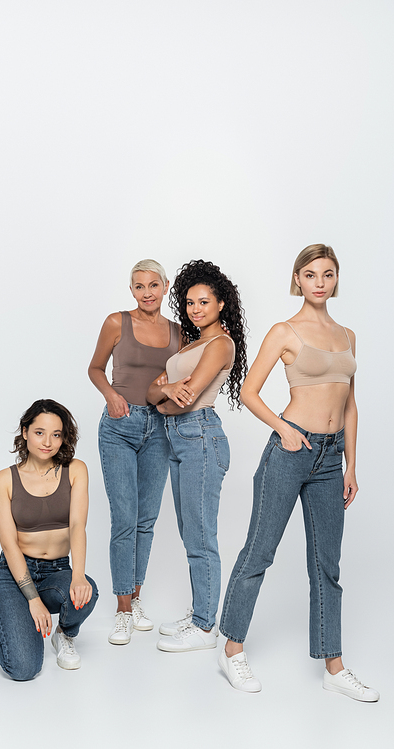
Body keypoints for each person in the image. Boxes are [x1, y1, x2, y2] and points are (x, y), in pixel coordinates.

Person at [218, 244, 379, 701]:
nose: (320, 282)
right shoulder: (285, 331)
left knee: (327, 564)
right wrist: (282, 429)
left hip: (331, 460)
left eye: (328, 274)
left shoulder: (348, 335)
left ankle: (334, 665)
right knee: (260, 551)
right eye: (311, 274)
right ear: (298, 280)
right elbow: (249, 392)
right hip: (289, 453)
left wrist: (351, 464)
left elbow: (349, 404)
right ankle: (232, 649)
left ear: (335, 280)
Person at [147, 259, 247, 652]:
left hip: (200, 437)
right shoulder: (190, 344)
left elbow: (181, 401)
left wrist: (166, 392)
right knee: (191, 531)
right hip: (179, 441)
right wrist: (166, 392)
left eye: (204, 302)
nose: (195, 309)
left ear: (221, 304)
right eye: (189, 302)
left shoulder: (220, 344)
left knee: (202, 534)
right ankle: (200, 609)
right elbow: (153, 395)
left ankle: (206, 628)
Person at [88, 259, 180, 645]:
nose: (146, 293)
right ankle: (123, 609)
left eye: (153, 285)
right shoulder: (116, 323)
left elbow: (184, 377)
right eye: (139, 286)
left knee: (146, 519)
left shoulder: (178, 332)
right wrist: (111, 395)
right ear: (132, 290)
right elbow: (95, 368)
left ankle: (135, 596)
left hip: (159, 428)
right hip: (120, 427)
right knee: (125, 517)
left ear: (165, 286)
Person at [0, 399, 98, 680]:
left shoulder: (75, 470)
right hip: (15, 572)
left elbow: (78, 525)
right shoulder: (4, 479)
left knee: (86, 593)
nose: (48, 442)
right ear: (25, 431)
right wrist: (32, 599)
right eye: (40, 432)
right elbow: (9, 544)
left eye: (56, 434)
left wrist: (78, 575)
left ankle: (64, 635)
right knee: (24, 669)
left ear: (65, 437)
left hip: (57, 570)